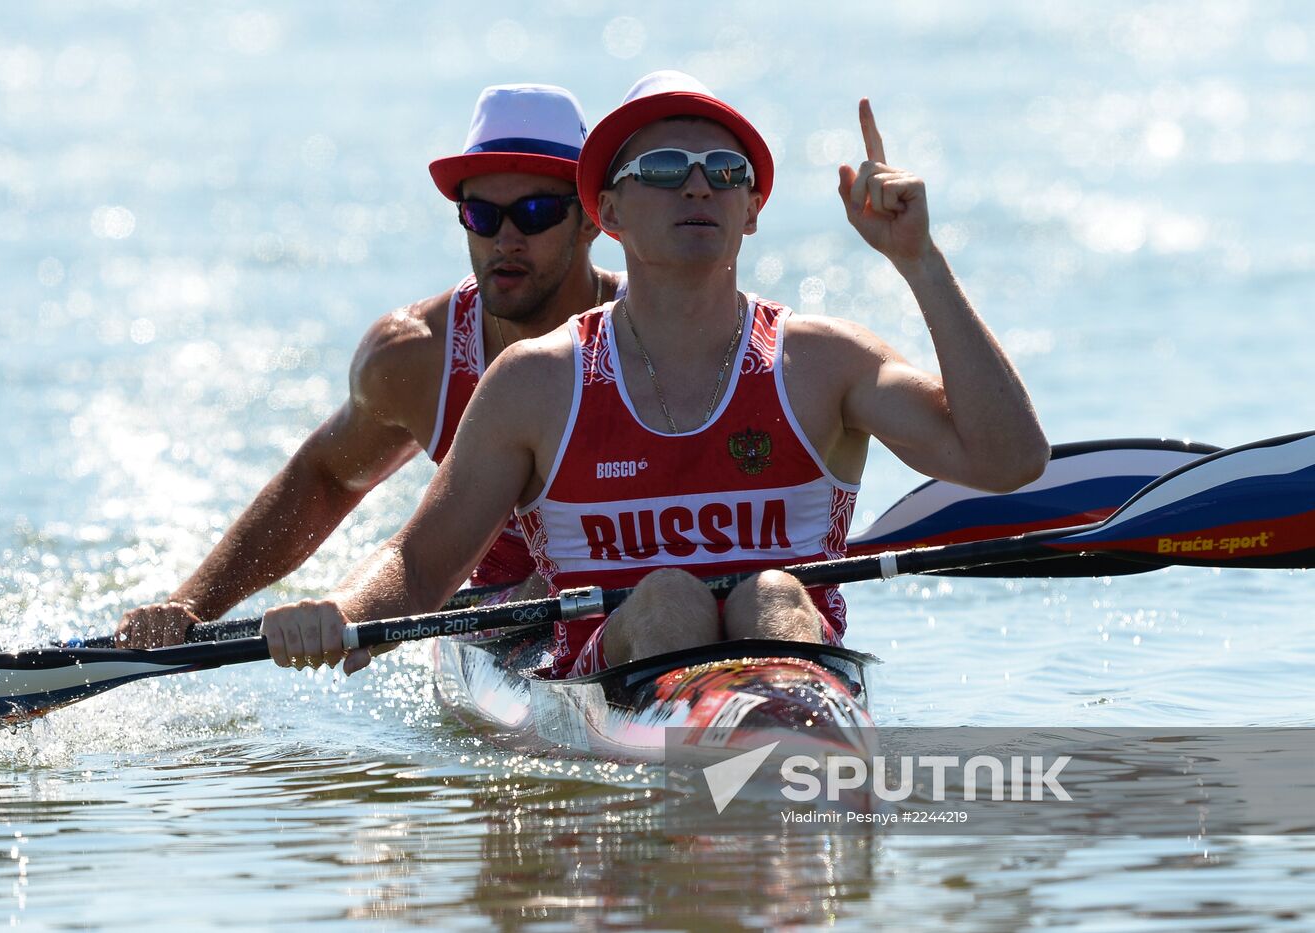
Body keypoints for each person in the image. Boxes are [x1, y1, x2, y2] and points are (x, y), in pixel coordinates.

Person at [259, 71, 1049, 677]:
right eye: (666, 167)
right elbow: (420, 563)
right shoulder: (537, 384)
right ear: (609, 212)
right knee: (668, 597)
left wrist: (921, 263)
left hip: (792, 682)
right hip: (604, 679)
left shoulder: (823, 361)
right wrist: (341, 613)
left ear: (752, 208)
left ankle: (769, 804)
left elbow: (1009, 460)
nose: (698, 183)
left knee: (775, 594)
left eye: (724, 170)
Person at [116, 83, 623, 648]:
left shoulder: (660, 332)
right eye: (480, 215)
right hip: (503, 622)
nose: (505, 239)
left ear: (592, 219)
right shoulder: (417, 355)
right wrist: (190, 606)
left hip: (642, 603)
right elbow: (326, 480)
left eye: (535, 212)